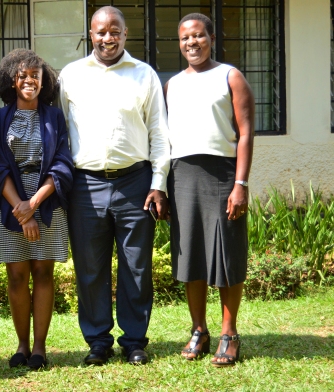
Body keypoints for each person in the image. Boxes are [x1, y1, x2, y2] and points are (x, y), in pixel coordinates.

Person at [58, 6, 170, 366]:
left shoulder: (144, 75)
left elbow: (158, 133)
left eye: (115, 31)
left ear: (125, 34)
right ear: (91, 34)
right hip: (84, 185)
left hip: (134, 183)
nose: (108, 38)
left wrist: (158, 183)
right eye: (101, 32)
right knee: (90, 267)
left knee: (136, 264)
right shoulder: (71, 75)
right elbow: (60, 130)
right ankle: (97, 340)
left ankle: (134, 340)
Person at [165, 13, 254, 367]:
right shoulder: (172, 84)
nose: (192, 43)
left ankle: (229, 333)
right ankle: (199, 329)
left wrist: (241, 184)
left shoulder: (229, 76)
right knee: (192, 256)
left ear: (211, 38)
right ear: (180, 43)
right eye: (186, 38)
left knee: (227, 254)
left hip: (222, 174)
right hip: (182, 175)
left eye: (199, 36)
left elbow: (245, 132)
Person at [0, 49, 74, 370]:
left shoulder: (54, 117)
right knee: (16, 275)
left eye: (35, 76)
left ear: (44, 80)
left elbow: (64, 165)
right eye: (23, 75)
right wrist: (21, 211)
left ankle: (39, 348)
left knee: (42, 272)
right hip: (10, 205)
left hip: (47, 201)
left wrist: (34, 204)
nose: (29, 80)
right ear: (13, 80)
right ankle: (21, 345)